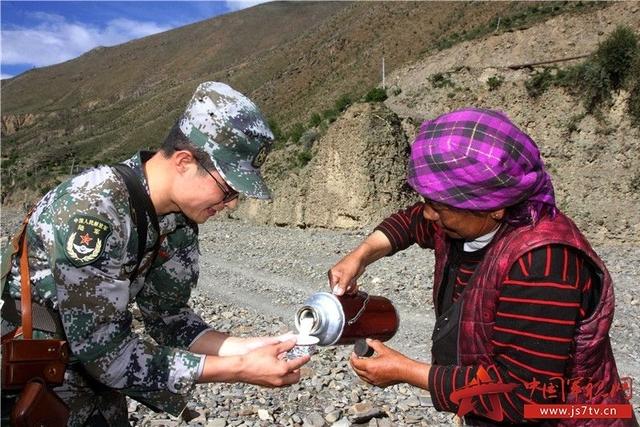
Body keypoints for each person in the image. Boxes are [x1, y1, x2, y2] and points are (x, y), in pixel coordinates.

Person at [1, 81, 309, 426]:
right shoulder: (94, 209)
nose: (232, 203)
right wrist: (238, 369)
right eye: (227, 188)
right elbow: (107, 355)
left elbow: (170, 319)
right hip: (31, 379)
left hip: (93, 389)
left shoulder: (178, 222)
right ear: (184, 161)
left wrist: (251, 347)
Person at [328, 108, 637, 426]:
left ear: (496, 208)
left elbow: (522, 396)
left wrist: (406, 371)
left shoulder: (543, 263)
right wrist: (361, 255)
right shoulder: (461, 220)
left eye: (439, 206)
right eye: (428, 201)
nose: (430, 214)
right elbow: (411, 222)